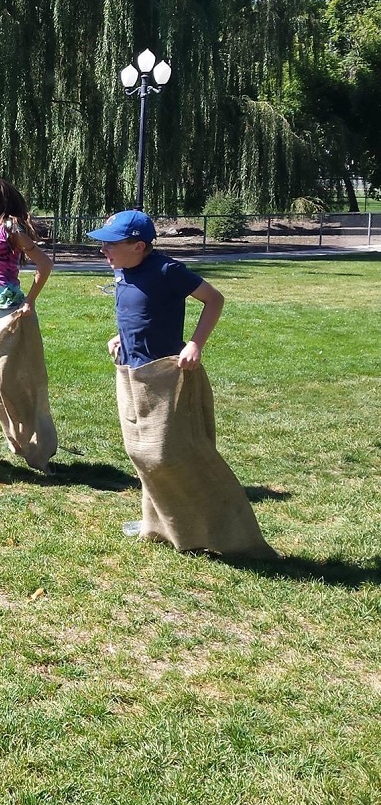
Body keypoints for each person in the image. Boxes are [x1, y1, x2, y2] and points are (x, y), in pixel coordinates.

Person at [87, 210, 274, 557]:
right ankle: (157, 525)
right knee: (141, 453)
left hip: (164, 375)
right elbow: (141, 314)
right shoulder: (122, 270)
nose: (103, 250)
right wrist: (120, 337)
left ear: (138, 245)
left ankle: (225, 529)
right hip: (131, 372)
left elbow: (214, 299)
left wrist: (195, 344)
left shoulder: (166, 271)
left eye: (110, 244)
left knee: (167, 454)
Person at [0, 177, 57, 472]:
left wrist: (30, 300)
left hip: (9, 314)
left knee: (9, 381)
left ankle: (38, 443)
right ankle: (16, 441)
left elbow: (44, 265)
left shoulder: (11, 229)